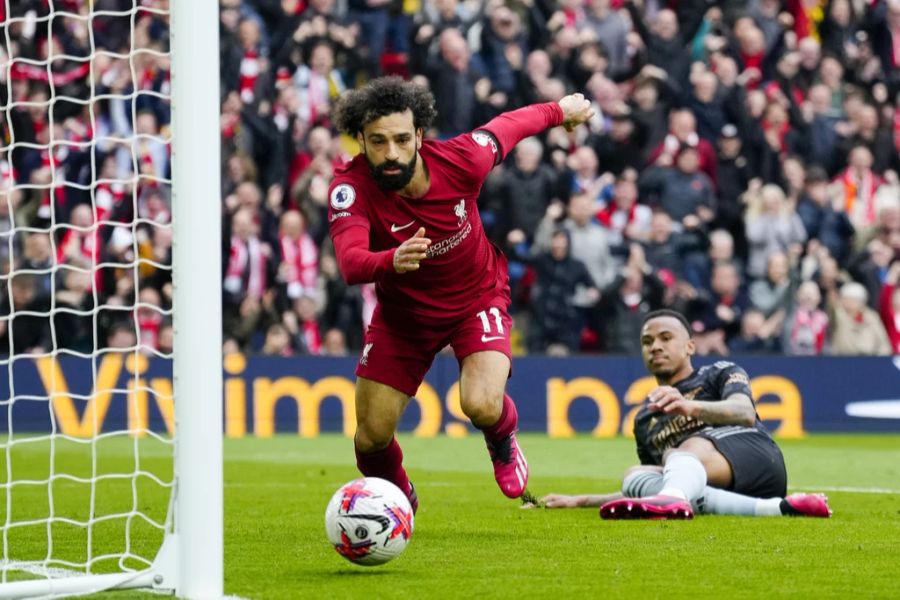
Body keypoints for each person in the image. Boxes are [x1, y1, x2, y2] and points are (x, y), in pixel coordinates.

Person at [327, 76, 594, 512]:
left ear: (418, 135)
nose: (390, 153)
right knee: (370, 439)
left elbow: (510, 125)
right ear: (360, 139)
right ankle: (399, 497)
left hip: (476, 299)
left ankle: (502, 437)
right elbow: (351, 261)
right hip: (403, 318)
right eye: (377, 142)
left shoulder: (462, 160)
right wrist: (390, 261)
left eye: (400, 139)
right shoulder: (351, 188)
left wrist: (561, 110)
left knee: (481, 404)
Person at [539, 309, 832, 520]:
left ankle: (678, 500)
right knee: (635, 475)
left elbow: (744, 413)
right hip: (721, 490)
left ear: (690, 346)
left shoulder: (719, 372)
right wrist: (581, 501)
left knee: (682, 451)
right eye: (647, 342)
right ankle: (780, 510)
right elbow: (663, 485)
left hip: (759, 461)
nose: (655, 346)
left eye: (666, 338)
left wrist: (689, 406)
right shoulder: (644, 420)